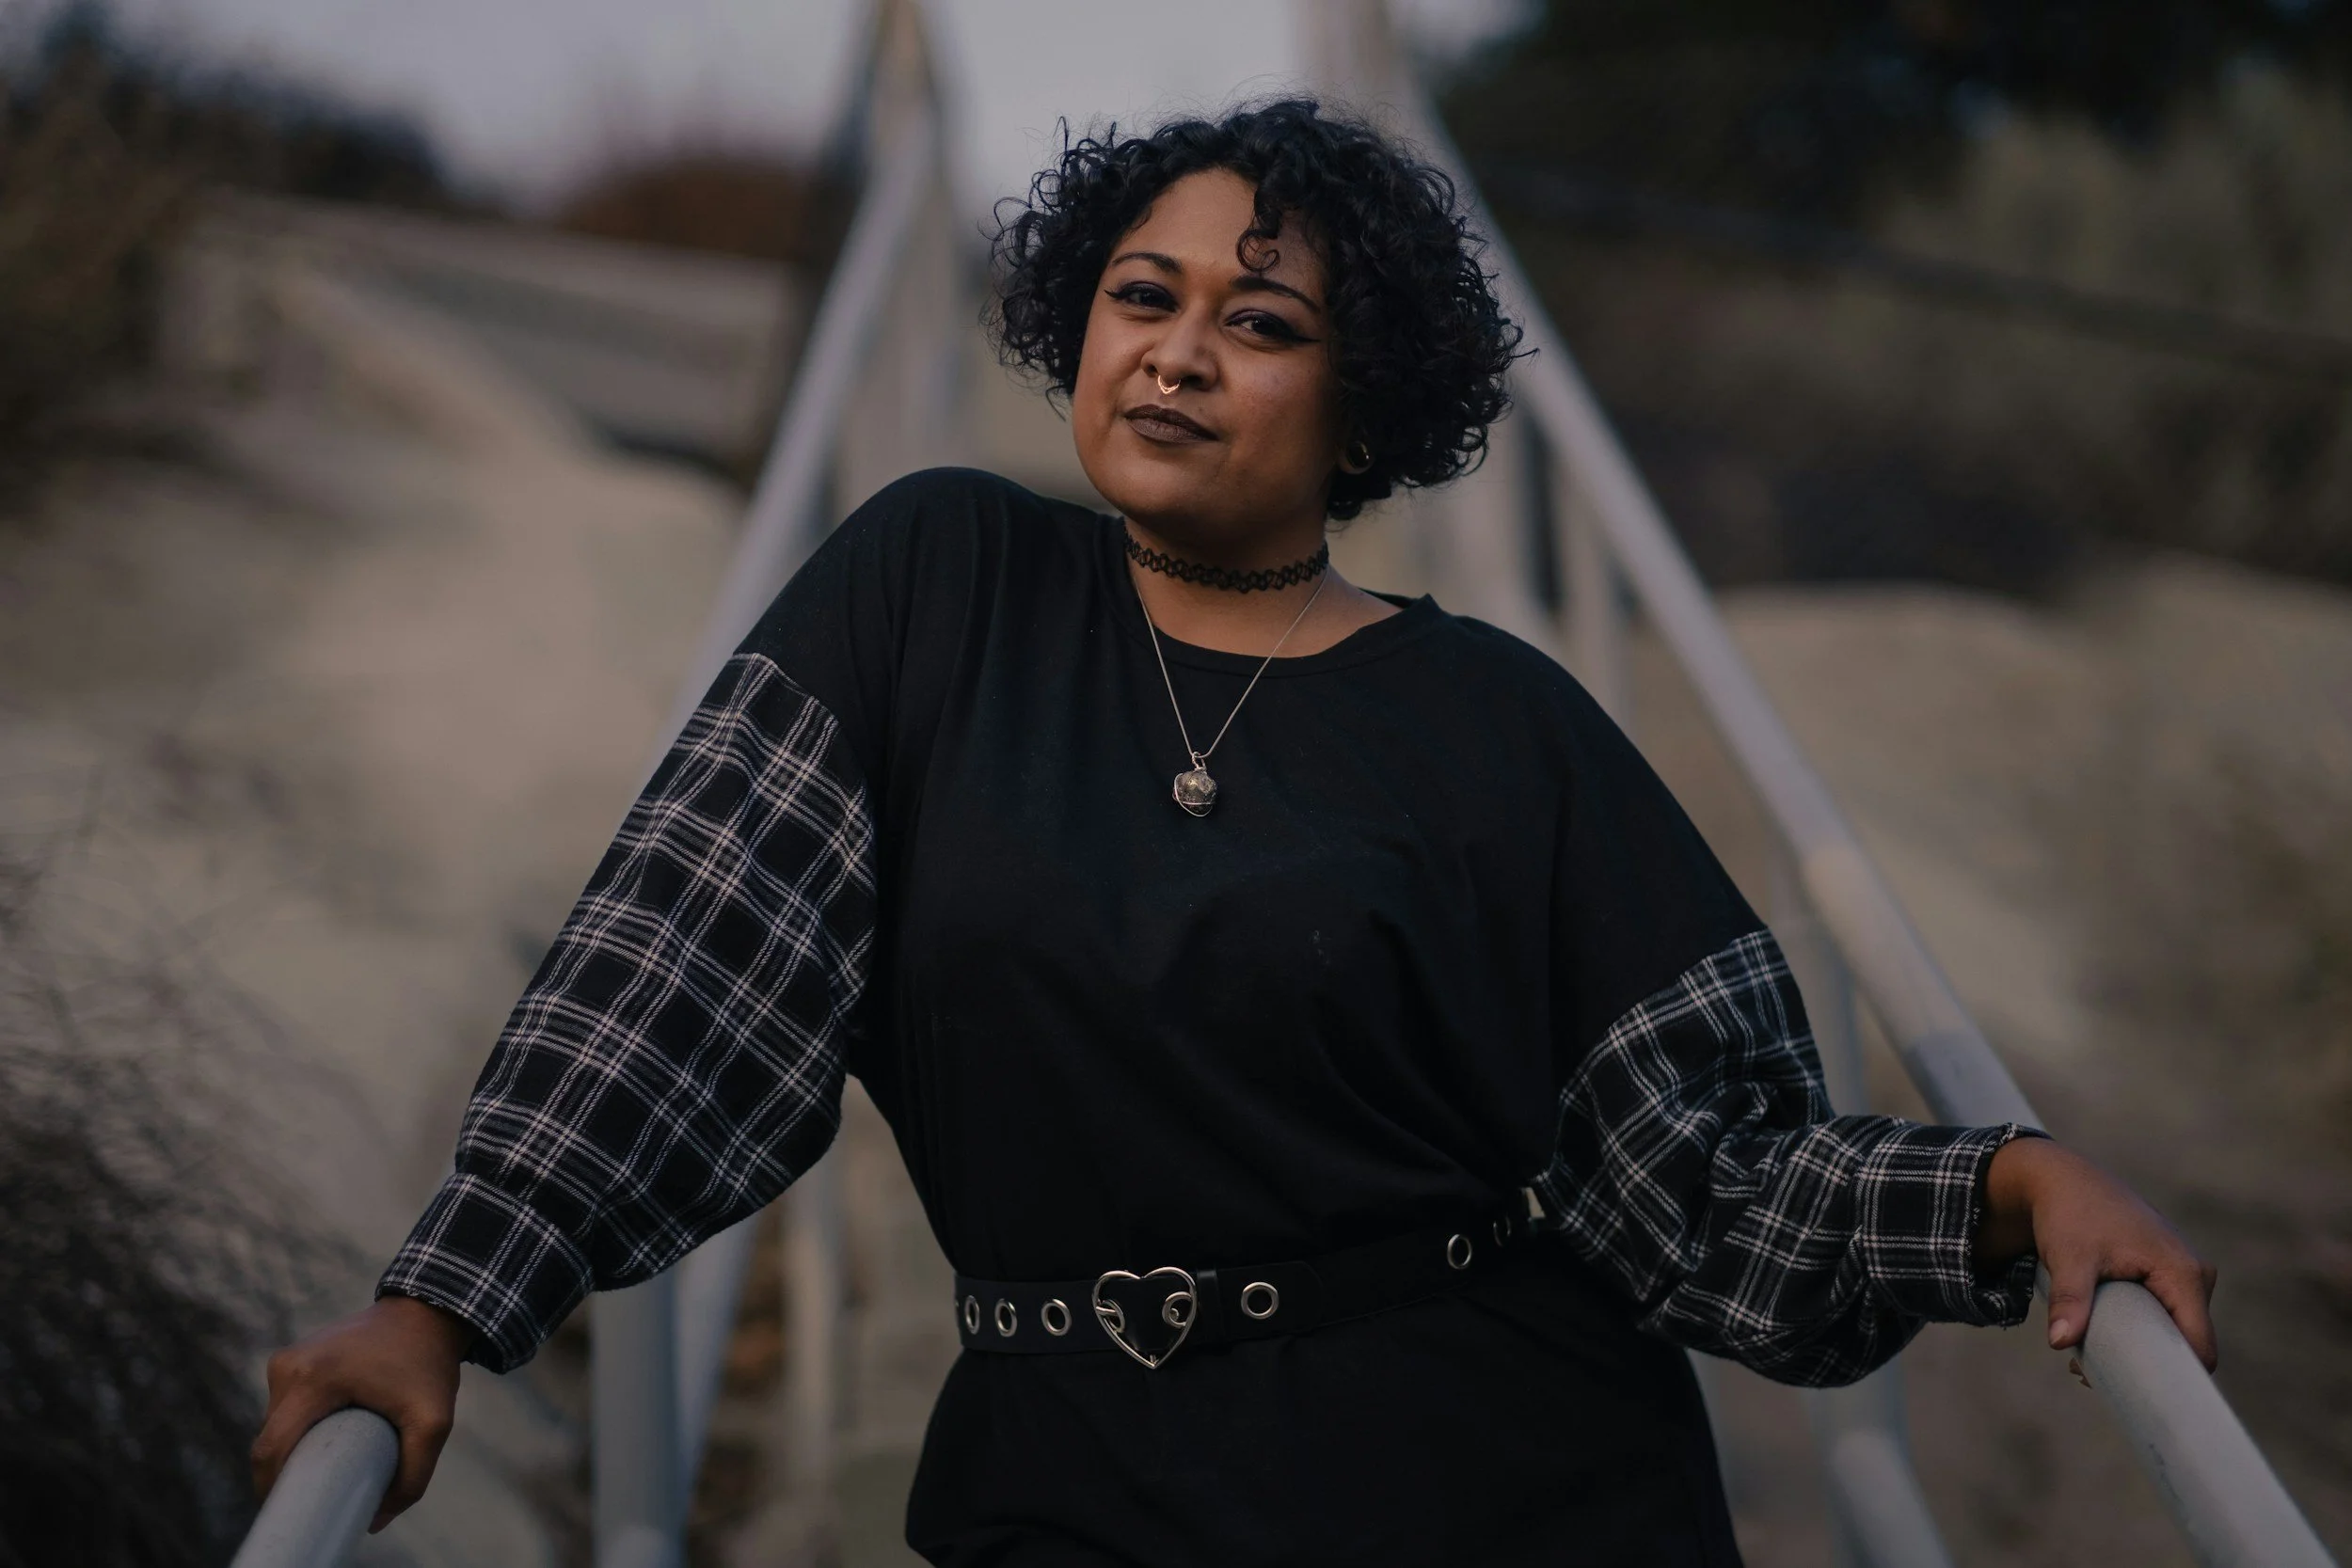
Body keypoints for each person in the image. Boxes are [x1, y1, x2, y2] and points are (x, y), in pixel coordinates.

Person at [251, 100, 2217, 1566]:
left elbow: (1705, 1185)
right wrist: (444, 1299)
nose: (1177, 350)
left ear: (1361, 407)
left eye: (1257, 322)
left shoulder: (1501, 721)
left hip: (1499, 1486)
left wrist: (2002, 1187)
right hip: (1062, 1481)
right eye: (1141, 295)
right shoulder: (931, 586)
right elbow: (677, 969)